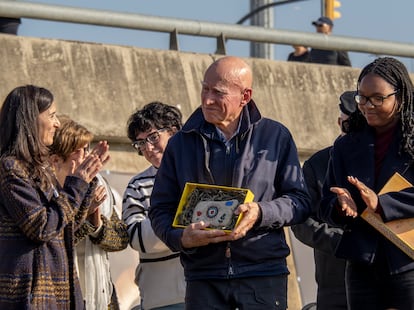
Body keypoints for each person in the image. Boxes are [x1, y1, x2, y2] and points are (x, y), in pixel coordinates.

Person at [149, 56, 311, 310]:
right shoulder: (180, 143)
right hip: (204, 277)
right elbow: (159, 209)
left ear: (245, 96)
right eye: (205, 88)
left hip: (263, 274)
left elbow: (300, 201)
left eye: (218, 92)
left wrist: (261, 212)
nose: (207, 99)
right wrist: (181, 238)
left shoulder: (275, 136)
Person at [0, 85, 109, 308]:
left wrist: (85, 182)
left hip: (55, 292)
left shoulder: (38, 168)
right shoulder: (10, 168)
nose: (57, 123)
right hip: (30, 295)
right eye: (51, 115)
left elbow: (63, 227)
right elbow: (41, 227)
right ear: (30, 119)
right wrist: (77, 184)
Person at [319, 57, 414, 310]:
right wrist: (341, 206)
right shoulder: (345, 145)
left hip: (408, 261)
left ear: (401, 97)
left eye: (377, 98)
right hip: (362, 263)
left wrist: (381, 203)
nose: (367, 105)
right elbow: (325, 204)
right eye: (362, 97)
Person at [50, 115, 129, 310]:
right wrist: (85, 214)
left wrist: (96, 222)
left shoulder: (98, 184)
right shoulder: (44, 190)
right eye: (78, 151)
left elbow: (121, 239)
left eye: (87, 149)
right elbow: (53, 244)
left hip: (102, 297)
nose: (86, 157)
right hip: (62, 297)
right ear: (56, 159)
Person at [291, 90, 357, 310]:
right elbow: (301, 223)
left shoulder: (385, 161)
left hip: (381, 283)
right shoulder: (317, 165)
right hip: (334, 285)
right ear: (340, 122)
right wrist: (342, 242)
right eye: (350, 125)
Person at [122, 101, 185, 310]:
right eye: (140, 143)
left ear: (174, 132)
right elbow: (137, 238)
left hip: (210, 290)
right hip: (162, 298)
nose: (148, 148)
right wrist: (186, 216)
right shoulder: (136, 186)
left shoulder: (204, 171)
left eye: (153, 137)